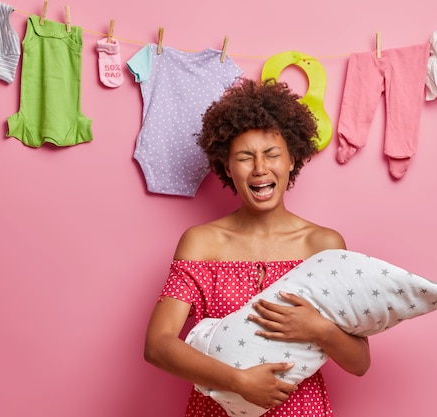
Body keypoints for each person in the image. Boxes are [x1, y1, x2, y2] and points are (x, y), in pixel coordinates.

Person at [144, 78, 371, 416]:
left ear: (292, 159)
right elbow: (158, 344)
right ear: (227, 166)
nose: (260, 168)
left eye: (271, 154)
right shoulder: (201, 243)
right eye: (245, 157)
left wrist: (318, 328)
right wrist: (238, 381)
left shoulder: (323, 245)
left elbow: (359, 363)